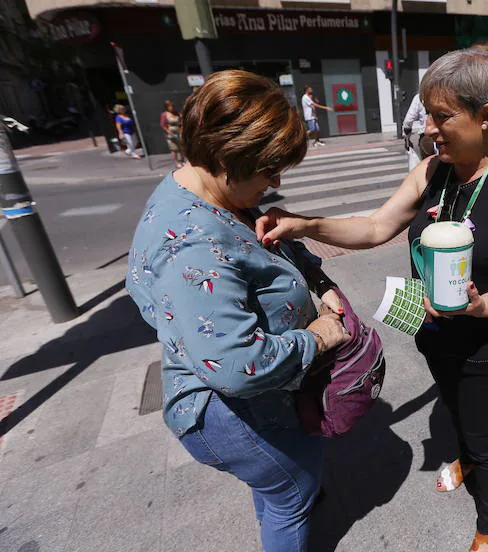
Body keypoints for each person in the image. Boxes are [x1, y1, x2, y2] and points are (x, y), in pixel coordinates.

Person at [256, 49, 488, 552]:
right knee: (456, 411)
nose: (430, 128)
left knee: (486, 438)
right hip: (433, 332)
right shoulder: (431, 171)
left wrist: (482, 307)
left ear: (486, 116)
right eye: (427, 114)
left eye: (442, 116)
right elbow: (377, 225)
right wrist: (306, 224)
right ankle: (463, 455)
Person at [125, 70, 350, 552]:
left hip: (262, 404)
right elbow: (236, 366)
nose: (276, 183)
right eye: (270, 170)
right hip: (228, 412)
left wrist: (317, 280)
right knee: (292, 491)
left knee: (277, 484)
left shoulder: (209, 195)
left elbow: (269, 248)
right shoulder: (192, 245)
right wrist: (319, 337)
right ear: (230, 156)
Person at [402, 93, 433, 170]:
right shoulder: (447, 92)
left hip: (427, 138)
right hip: (446, 136)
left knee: (428, 169)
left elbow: (408, 120)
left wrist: (407, 138)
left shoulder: (420, 97)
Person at [159, 100, 184, 167]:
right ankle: (177, 162)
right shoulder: (164, 115)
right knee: (174, 149)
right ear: (167, 107)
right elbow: (163, 125)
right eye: (170, 106)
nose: (172, 107)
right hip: (170, 135)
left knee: (181, 148)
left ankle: (182, 161)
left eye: (173, 106)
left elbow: (181, 122)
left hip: (179, 133)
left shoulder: (177, 113)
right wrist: (169, 132)